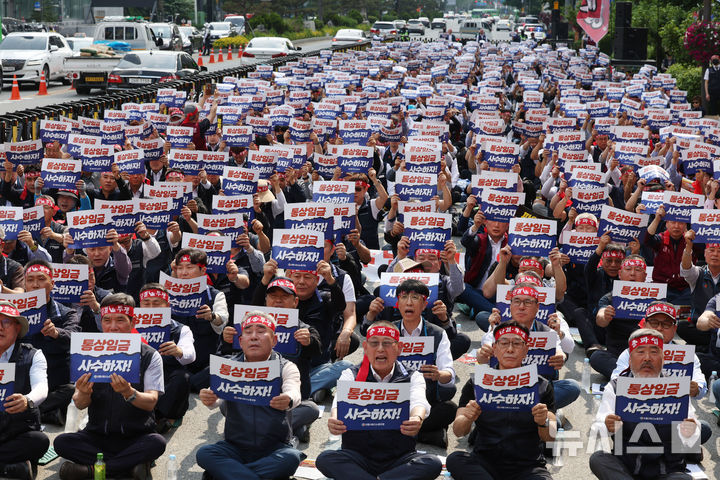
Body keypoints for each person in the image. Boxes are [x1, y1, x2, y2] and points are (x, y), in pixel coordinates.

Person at [54, 293, 166, 480]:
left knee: (157, 443)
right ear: (101, 322)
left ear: (133, 322)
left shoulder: (150, 355)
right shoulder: (87, 351)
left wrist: (129, 393)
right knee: (62, 442)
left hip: (136, 436)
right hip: (97, 435)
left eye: (120, 320)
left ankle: (92, 471)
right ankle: (128, 467)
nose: (113, 327)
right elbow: (80, 404)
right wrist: (84, 393)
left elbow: (151, 402)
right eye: (107, 320)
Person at [315, 321, 442, 480]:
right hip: (357, 457)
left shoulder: (412, 376)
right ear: (366, 347)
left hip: (398, 458)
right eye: (374, 343)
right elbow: (339, 403)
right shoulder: (351, 374)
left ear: (399, 348)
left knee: (432, 463)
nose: (380, 349)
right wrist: (334, 419)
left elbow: (419, 402)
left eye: (387, 343)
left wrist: (417, 418)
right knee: (325, 459)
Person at [196, 311, 305, 480]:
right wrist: (208, 397)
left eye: (261, 331)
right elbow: (215, 398)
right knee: (205, 454)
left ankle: (232, 474)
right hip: (235, 447)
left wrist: (288, 399)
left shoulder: (286, 366)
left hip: (274, 447)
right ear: (241, 341)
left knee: (290, 458)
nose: (254, 337)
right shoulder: (228, 366)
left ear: (274, 340)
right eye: (248, 332)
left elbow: (294, 391)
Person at [447, 321, 556, 480]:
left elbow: (551, 437)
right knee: (455, 459)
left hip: (527, 466)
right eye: (504, 343)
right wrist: (468, 417)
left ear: (526, 349)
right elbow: (458, 431)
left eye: (517, 344)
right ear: (495, 349)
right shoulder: (477, 382)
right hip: (485, 462)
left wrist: (543, 421)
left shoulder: (541, 385)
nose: (510, 349)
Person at [589, 329, 701, 480]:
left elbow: (693, 439)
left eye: (654, 352)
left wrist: (689, 431)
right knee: (598, 459)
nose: (647, 358)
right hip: (627, 468)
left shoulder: (677, 387)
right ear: (630, 360)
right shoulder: (616, 387)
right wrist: (607, 425)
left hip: (666, 471)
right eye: (640, 352)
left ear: (663, 359)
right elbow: (598, 429)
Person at [365, 279, 457, 447]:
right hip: (390, 400)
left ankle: (395, 432)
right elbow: (368, 368)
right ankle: (426, 435)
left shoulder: (437, 333)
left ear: (424, 304)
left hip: (422, 400)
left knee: (449, 409)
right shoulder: (387, 332)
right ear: (397, 303)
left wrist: (439, 374)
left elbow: (449, 374)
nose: (409, 302)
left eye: (415, 298)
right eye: (404, 297)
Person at [23, 260, 80, 426]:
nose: (35, 285)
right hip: (24, 376)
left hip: (55, 381)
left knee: (72, 390)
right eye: (30, 280)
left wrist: (56, 333)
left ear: (52, 283)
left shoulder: (66, 313)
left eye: (41, 279)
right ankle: (47, 413)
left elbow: (75, 337)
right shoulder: (14, 312)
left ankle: (29, 412)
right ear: (24, 284)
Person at [0, 300, 49, 480]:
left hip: (18, 430)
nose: (0, 328)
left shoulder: (33, 355)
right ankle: (11, 468)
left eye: (5, 322)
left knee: (39, 441)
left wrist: (27, 400)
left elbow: (41, 388)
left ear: (18, 328)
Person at [137, 283, 196, 433]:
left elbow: (190, 355)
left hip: (166, 376)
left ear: (167, 305)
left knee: (182, 377)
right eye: (146, 303)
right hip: (138, 376)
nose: (151, 308)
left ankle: (164, 417)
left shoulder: (180, 329)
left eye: (156, 303)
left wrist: (178, 351)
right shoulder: (129, 326)